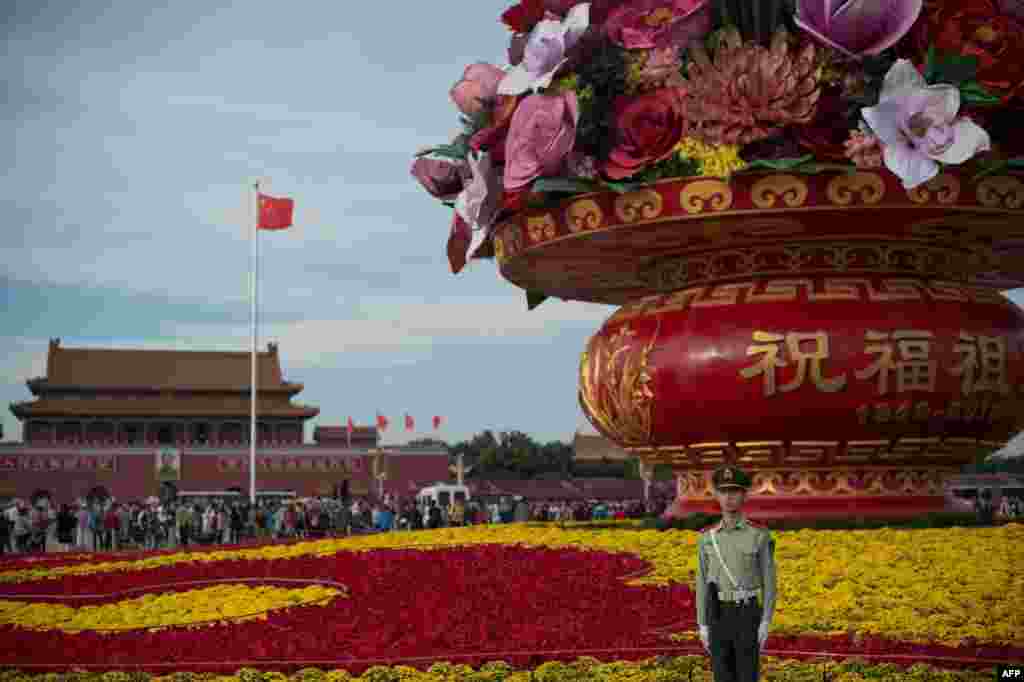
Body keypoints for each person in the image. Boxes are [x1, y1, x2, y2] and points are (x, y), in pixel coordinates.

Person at [696, 465, 777, 682]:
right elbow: (702, 583)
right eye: (723, 492)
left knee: (747, 676)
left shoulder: (758, 535)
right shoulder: (706, 538)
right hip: (718, 612)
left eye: (734, 491)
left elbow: (770, 582)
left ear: (744, 495)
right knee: (721, 676)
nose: (729, 497)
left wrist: (766, 621)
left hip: (747, 613)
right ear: (717, 495)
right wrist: (702, 623)